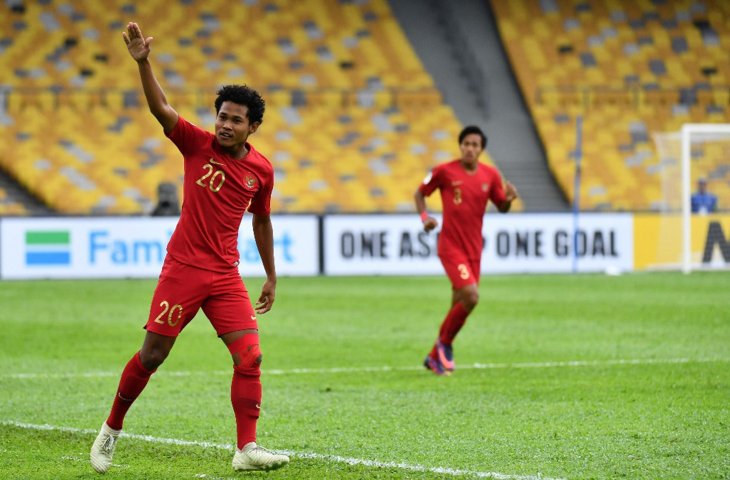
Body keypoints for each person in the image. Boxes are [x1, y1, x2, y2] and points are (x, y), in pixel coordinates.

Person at [90, 22, 289, 473]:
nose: (224, 124)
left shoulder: (262, 171)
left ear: (252, 127)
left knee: (251, 356)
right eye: (221, 115)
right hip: (182, 269)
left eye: (235, 119)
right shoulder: (196, 144)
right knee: (152, 356)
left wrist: (272, 274)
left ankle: (246, 449)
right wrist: (144, 64)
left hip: (224, 275)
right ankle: (110, 430)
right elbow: (161, 108)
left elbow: (262, 219)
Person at [414, 125, 518, 376]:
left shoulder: (490, 175)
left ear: (481, 149)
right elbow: (420, 193)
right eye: (466, 144)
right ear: (460, 146)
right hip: (451, 247)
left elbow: (501, 206)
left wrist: (508, 200)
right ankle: (445, 345)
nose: (470, 148)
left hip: (474, 250)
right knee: (471, 297)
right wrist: (425, 217)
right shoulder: (445, 171)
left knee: (459, 303)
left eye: (475, 145)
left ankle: (433, 358)